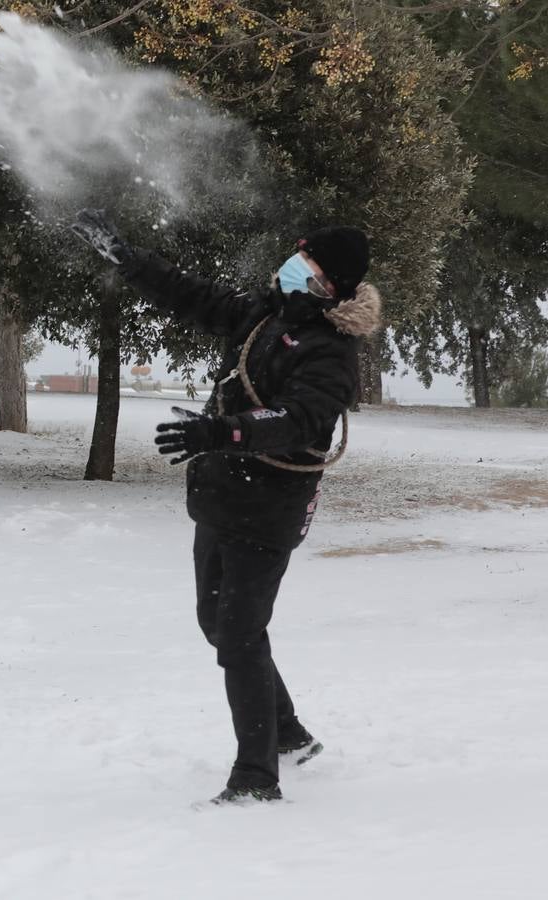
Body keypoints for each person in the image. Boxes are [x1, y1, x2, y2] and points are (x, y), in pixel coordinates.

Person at [71, 210, 381, 804]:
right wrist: (129, 259)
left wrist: (222, 432)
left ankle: (256, 776)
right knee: (217, 623)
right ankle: (289, 733)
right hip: (220, 498)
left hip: (269, 510)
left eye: (308, 260)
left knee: (239, 634)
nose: (295, 263)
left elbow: (298, 420)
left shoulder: (331, 353)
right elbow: (191, 295)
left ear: (330, 283)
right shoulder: (265, 314)